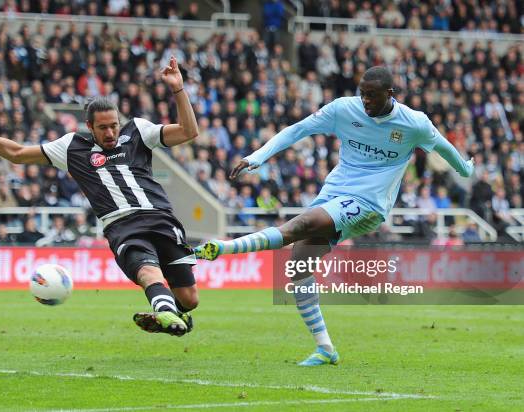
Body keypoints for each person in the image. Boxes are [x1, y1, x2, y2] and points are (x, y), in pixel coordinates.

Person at [195, 66, 475, 365]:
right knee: (299, 265)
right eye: (362, 94)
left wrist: (465, 169)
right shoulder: (343, 109)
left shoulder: (413, 123)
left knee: (302, 224)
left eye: (372, 96)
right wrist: (257, 157)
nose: (365, 100)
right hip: (335, 192)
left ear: (389, 94)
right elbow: (297, 130)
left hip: (369, 202)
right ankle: (325, 348)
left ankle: (223, 248)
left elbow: (445, 149)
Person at [0, 56, 200, 337]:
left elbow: (189, 132)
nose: (110, 132)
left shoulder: (139, 131)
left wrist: (179, 90)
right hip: (123, 226)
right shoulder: (72, 146)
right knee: (148, 273)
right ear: (90, 126)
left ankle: (172, 312)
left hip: (161, 218)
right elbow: (17, 154)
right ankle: (165, 312)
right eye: (103, 127)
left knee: (190, 299)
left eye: (114, 125)